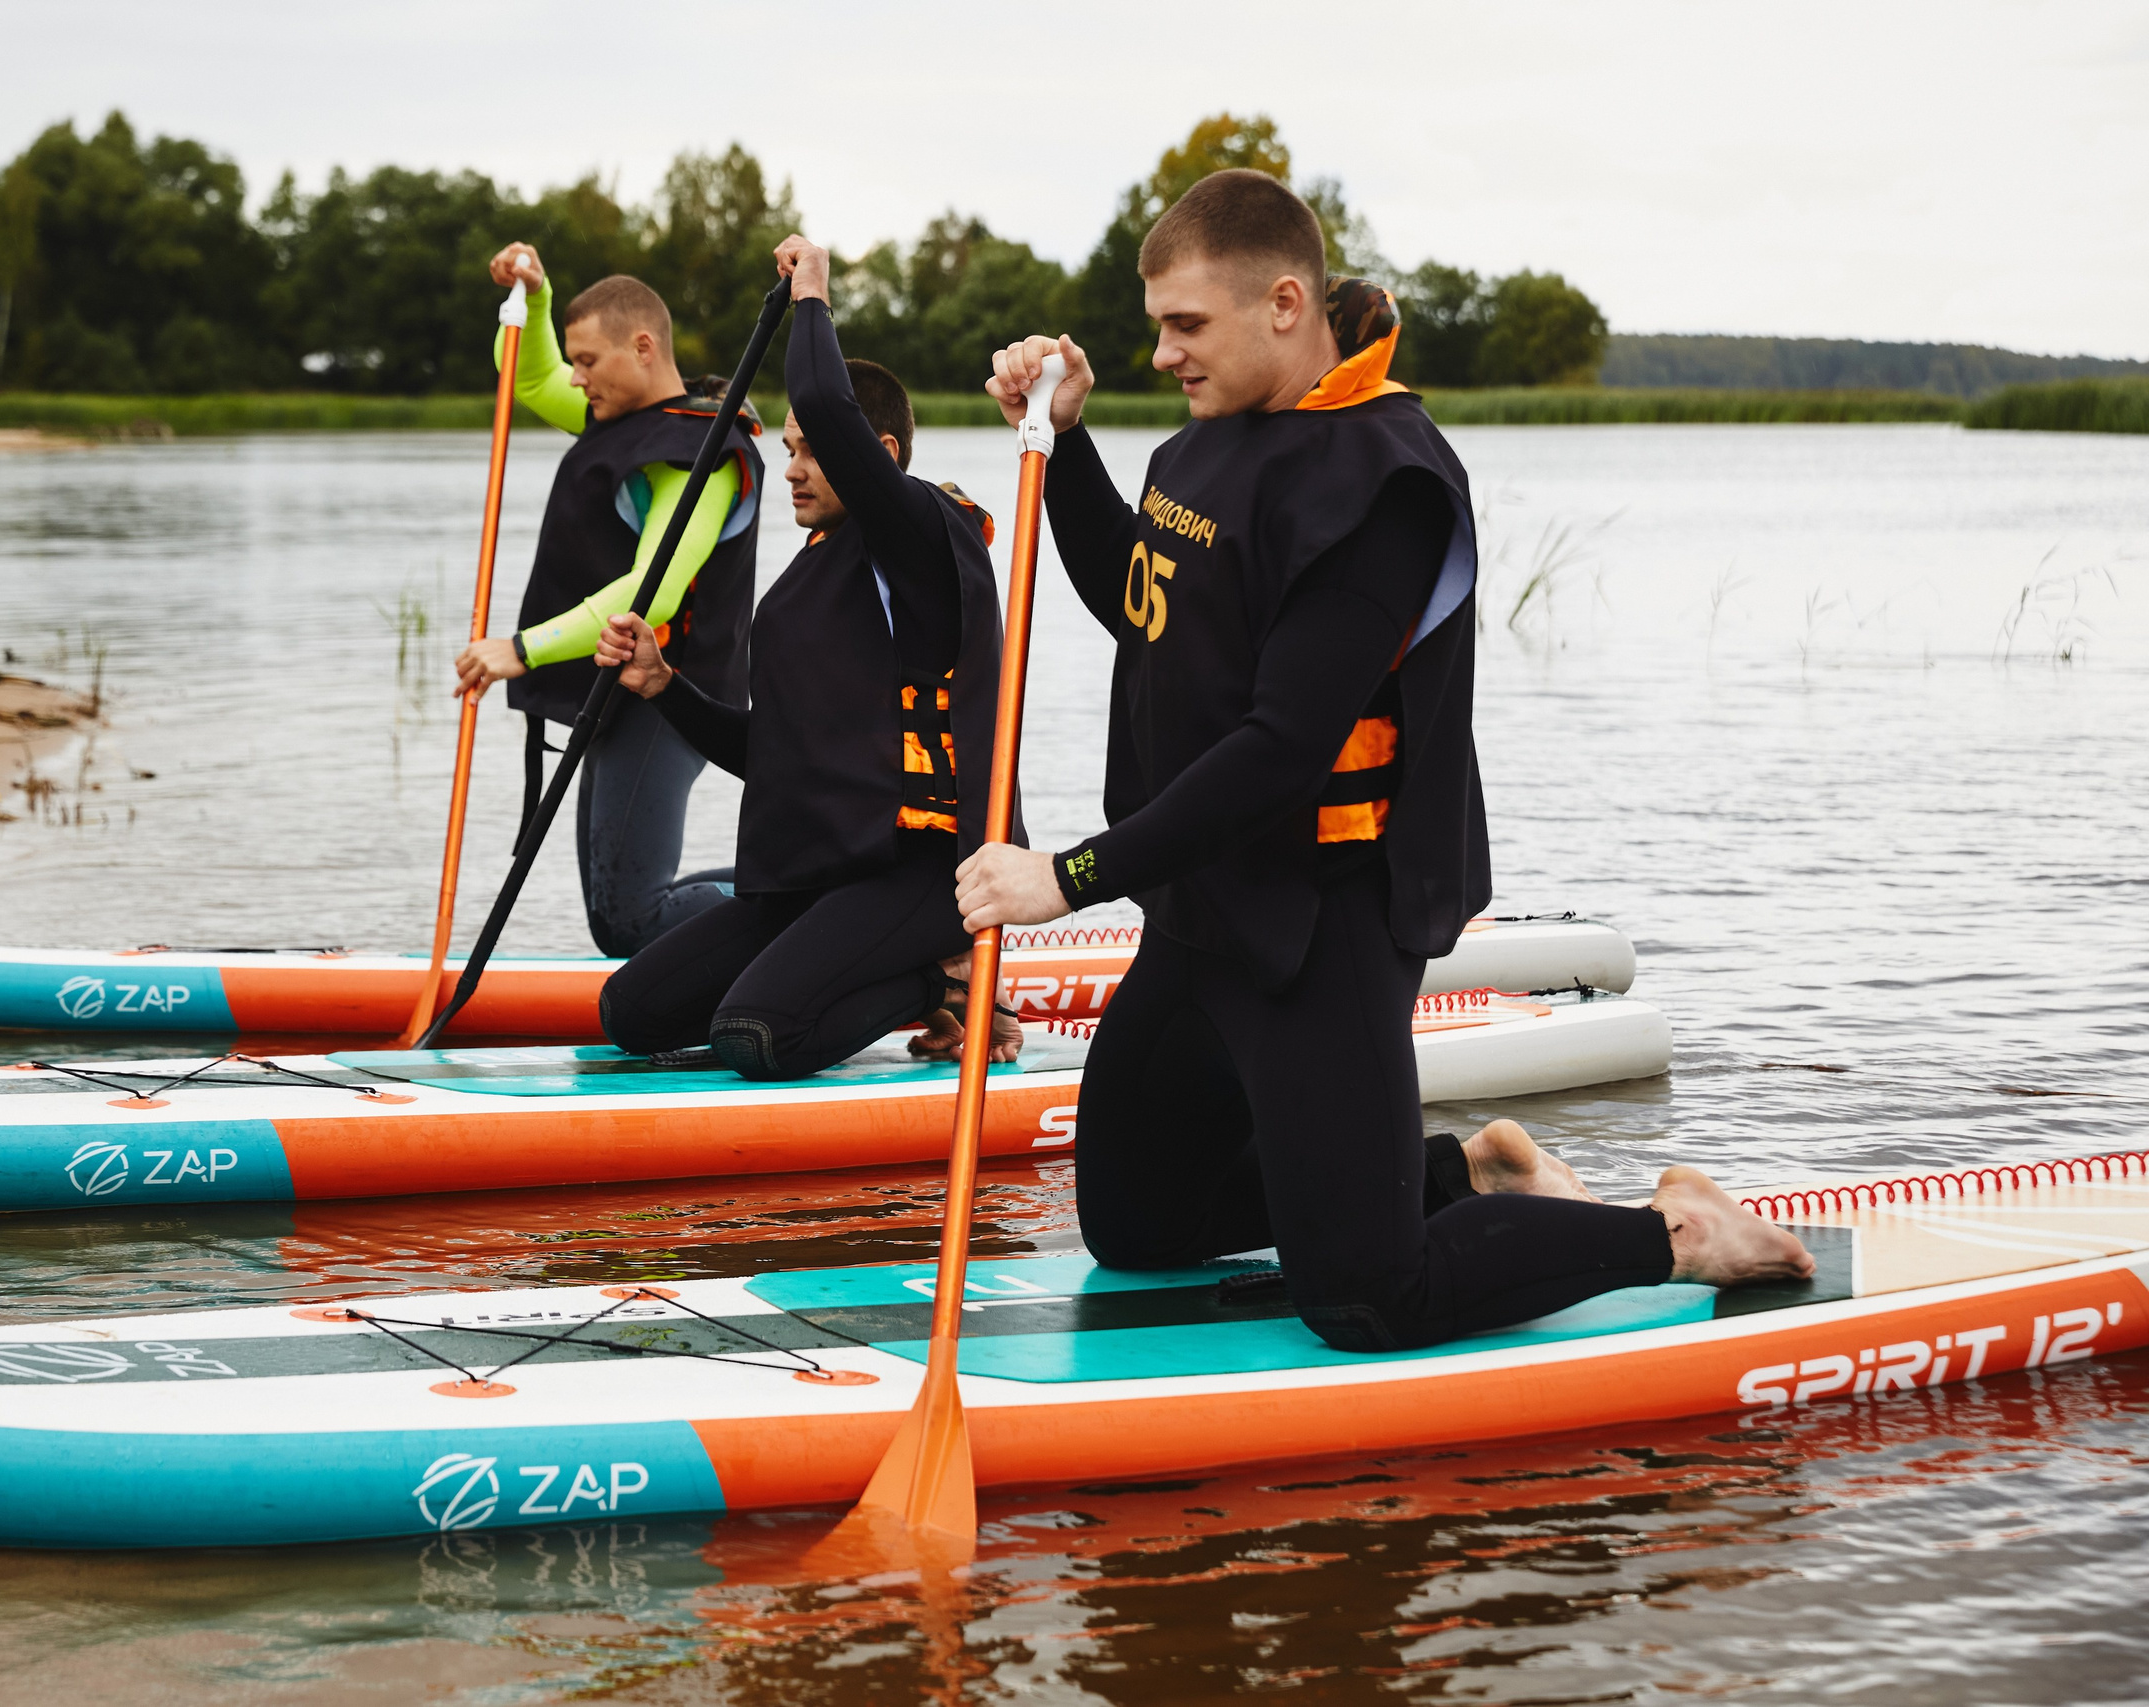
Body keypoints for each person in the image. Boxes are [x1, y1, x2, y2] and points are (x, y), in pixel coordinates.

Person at [959, 170, 1811, 1351]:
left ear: (1284, 305)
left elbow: (1282, 747)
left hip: (1324, 922)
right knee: (1138, 1224)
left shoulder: (1385, 484)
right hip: (1204, 911)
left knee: (1364, 1301)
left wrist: (1069, 877)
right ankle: (1463, 1172)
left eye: (1185, 325)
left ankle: (1669, 1232)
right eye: (1156, 324)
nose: (1161, 354)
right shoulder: (1210, 442)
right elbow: (1143, 607)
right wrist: (1070, 443)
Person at [590, 233, 1024, 1080]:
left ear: (879, 459)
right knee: (630, 1012)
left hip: (926, 869)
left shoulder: (920, 537)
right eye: (786, 448)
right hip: (822, 868)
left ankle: (941, 977)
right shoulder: (812, 582)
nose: (791, 467)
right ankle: (879, 970)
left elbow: (828, 401)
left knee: (757, 1033)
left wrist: (813, 294)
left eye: (810, 449)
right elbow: (778, 757)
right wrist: (663, 686)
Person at [453, 243, 769, 957]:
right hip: (617, 694)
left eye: (589, 360)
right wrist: (535, 295)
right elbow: (529, 379)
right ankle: (796, 899)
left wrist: (522, 649)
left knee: (632, 916)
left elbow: (650, 594)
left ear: (643, 347)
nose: (576, 376)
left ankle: (817, 896)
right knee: (614, 924)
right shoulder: (618, 417)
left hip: (671, 700)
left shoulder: (702, 452)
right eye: (575, 360)